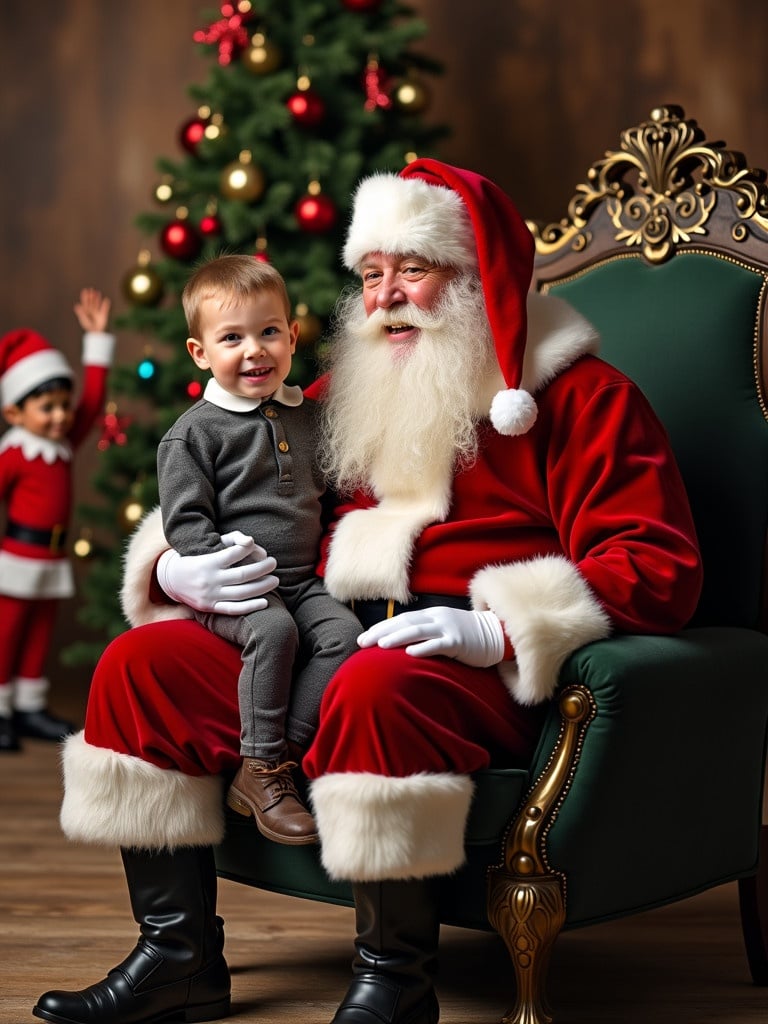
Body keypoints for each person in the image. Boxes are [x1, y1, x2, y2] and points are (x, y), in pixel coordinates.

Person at [33, 161, 703, 1024]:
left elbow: (660, 564)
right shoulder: (342, 394)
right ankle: (178, 957)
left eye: (412, 270)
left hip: (468, 667)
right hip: (321, 635)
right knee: (142, 665)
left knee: (374, 687)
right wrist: (168, 565)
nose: (387, 297)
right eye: (372, 274)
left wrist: (498, 629)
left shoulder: (583, 397)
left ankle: (395, 981)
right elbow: (243, 486)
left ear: (473, 276)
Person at [157, 254, 361, 845]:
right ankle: (262, 765)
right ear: (201, 353)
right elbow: (186, 521)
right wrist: (212, 570)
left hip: (302, 580)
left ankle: (281, 756)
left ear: (293, 336)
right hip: (234, 586)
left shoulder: (311, 418)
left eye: (269, 332)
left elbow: (337, 493)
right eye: (232, 338)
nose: (255, 351)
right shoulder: (193, 433)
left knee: (343, 637)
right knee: (275, 634)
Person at [0, 289, 115, 753]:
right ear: (13, 412)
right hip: (17, 556)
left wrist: (97, 342)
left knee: (40, 631)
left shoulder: (64, 441)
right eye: (46, 408)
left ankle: (29, 705)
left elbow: (92, 401)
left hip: (52, 555)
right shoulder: (13, 452)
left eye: (62, 406)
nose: (60, 416)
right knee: (7, 632)